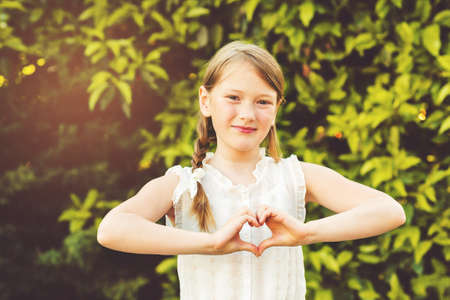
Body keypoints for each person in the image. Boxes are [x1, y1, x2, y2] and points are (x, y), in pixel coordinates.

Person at [97, 40, 406, 300]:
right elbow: (112, 230)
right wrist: (211, 243)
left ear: (276, 108)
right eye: (233, 98)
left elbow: (389, 211)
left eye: (262, 102)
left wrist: (306, 233)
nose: (247, 114)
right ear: (206, 101)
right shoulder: (182, 184)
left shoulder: (296, 176)